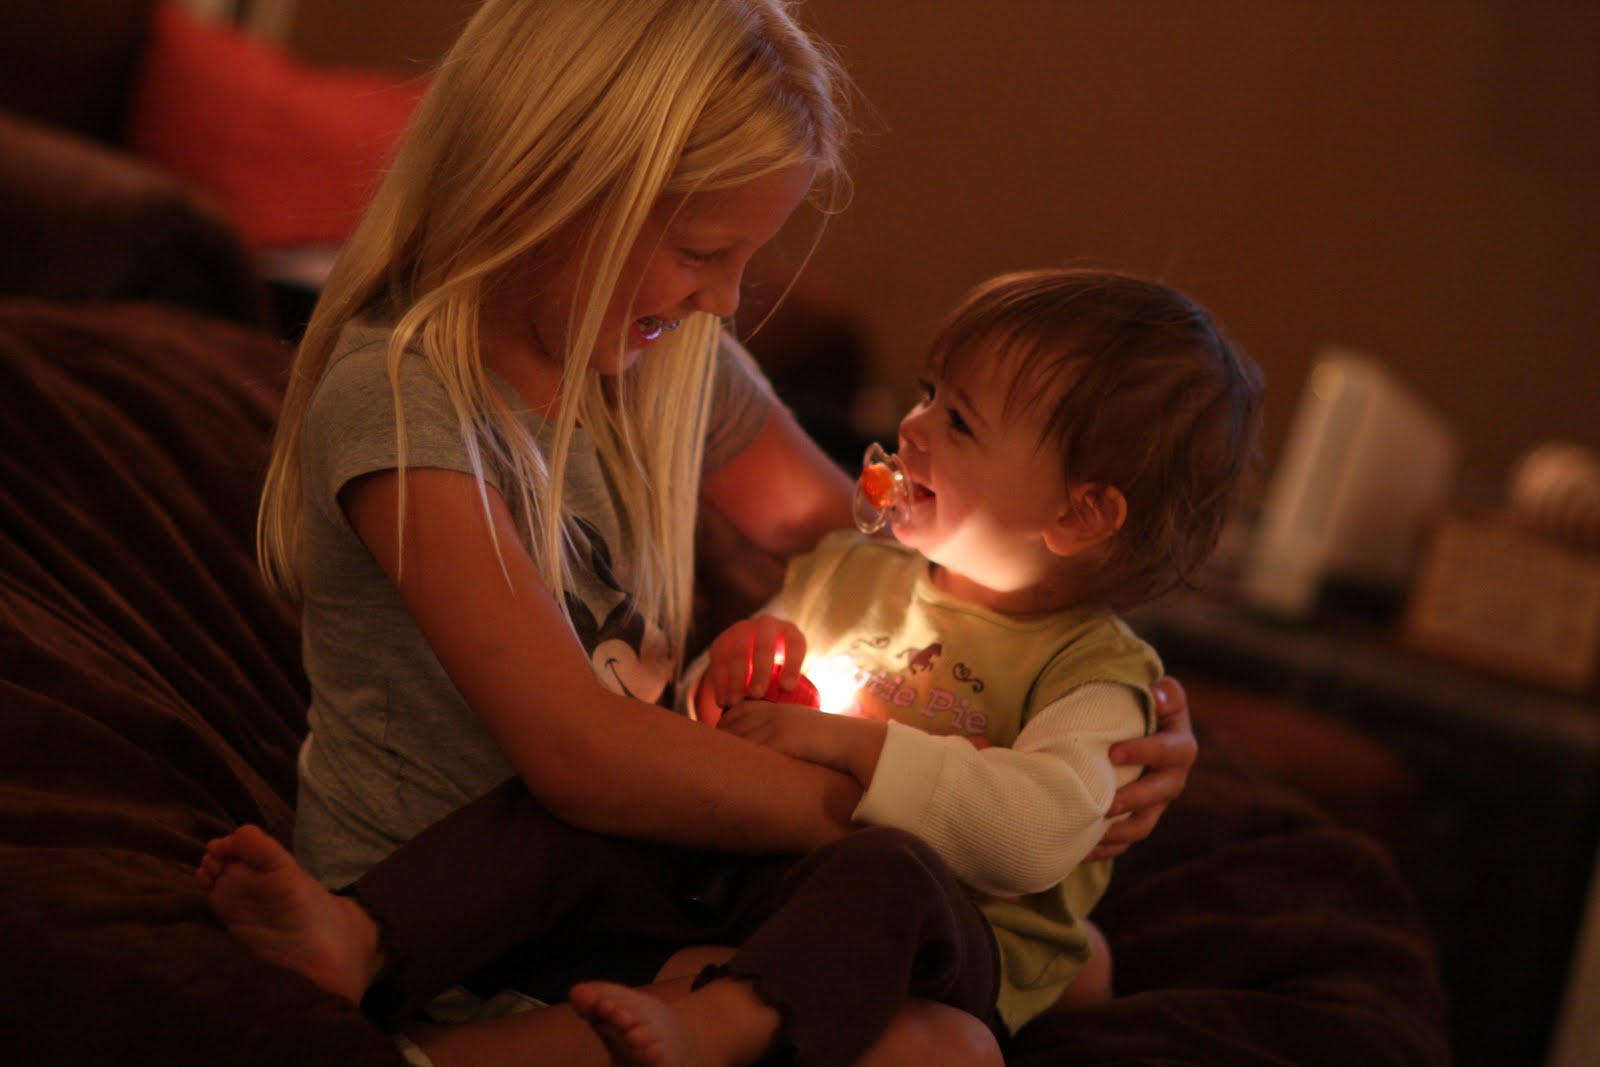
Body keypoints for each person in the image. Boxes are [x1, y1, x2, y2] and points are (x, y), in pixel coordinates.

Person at [193, 2, 1199, 1064]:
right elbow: (580, 756)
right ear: (547, 189)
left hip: (655, 873)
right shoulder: (404, 401)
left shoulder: (667, 363)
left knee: (1006, 998)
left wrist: (1096, 723)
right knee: (928, 1018)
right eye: (703, 251)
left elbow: (887, 551)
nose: (723, 300)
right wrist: (917, 806)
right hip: (457, 910)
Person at [691, 267, 1264, 1038]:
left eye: (959, 421)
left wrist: (848, 742)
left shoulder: (1092, 676)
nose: (913, 427)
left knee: (940, 1019)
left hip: (940, 937)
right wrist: (725, 674)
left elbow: (1030, 837)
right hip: (772, 879)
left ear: (1080, 514)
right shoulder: (848, 571)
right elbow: (707, 726)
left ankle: (717, 1024)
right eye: (928, 392)